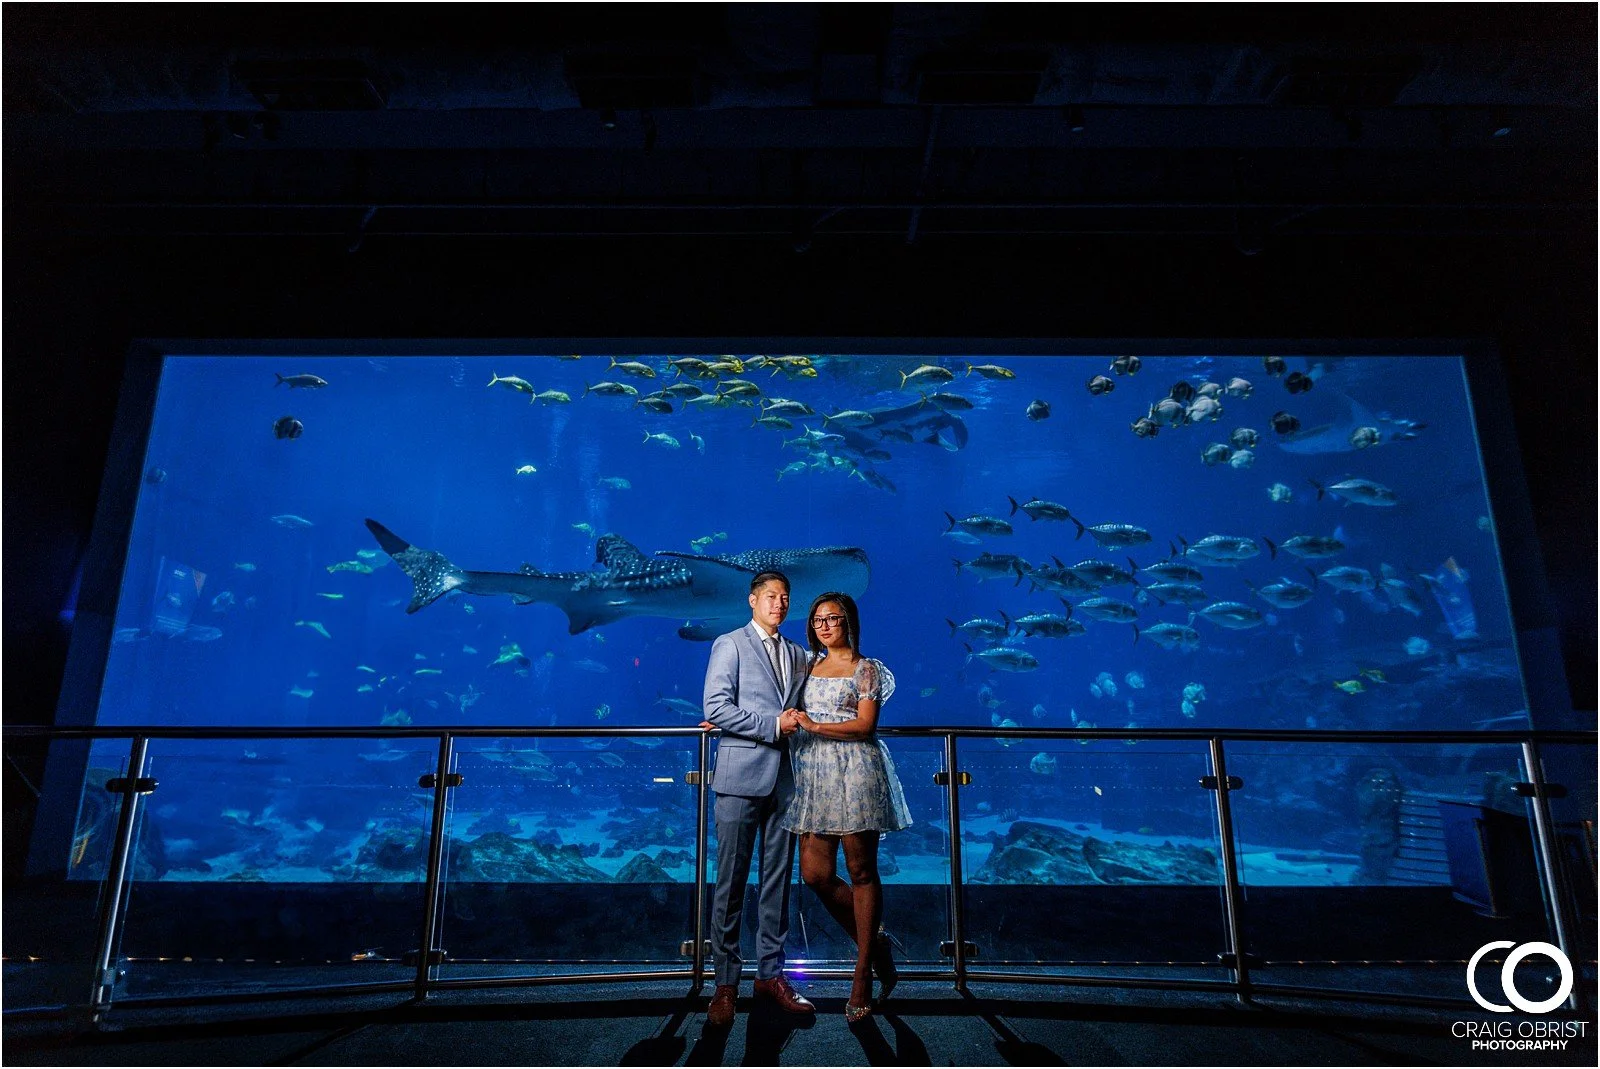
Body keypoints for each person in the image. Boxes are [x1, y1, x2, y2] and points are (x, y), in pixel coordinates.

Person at [783, 591, 912, 1023]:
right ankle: (874, 944)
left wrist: (816, 725)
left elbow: (865, 724)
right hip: (814, 774)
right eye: (817, 619)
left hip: (856, 770)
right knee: (815, 874)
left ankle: (862, 975)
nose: (823, 625)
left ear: (849, 621)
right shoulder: (806, 665)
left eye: (831, 618)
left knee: (861, 871)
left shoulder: (867, 668)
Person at [699, 570, 816, 1028]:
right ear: (752, 600)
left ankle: (771, 975)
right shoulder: (729, 644)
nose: (780, 603)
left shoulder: (797, 654)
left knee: (776, 886)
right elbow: (716, 707)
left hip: (784, 783)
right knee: (728, 886)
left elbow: (807, 707)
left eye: (786, 597)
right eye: (771, 596)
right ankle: (724, 984)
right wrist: (769, 726)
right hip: (739, 778)